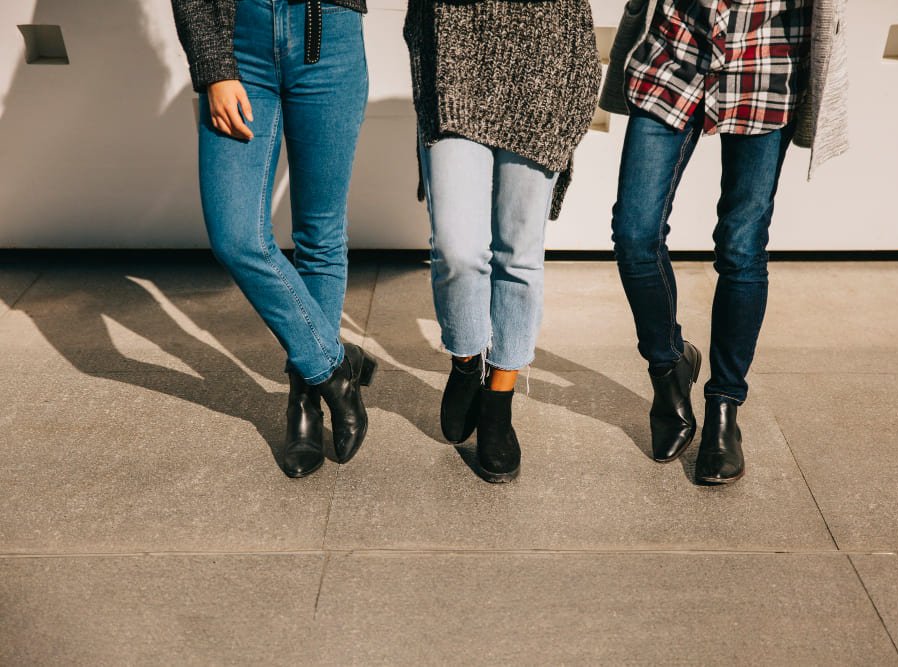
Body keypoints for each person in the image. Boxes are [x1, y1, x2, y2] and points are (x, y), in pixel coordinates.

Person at [601, 0, 848, 483]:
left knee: (741, 246)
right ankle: (668, 364)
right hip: (673, 56)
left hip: (767, 60)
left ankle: (724, 406)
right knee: (634, 233)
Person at [171, 0, 376, 478]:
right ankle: (335, 371)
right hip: (239, 39)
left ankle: (304, 405)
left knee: (319, 234)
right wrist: (214, 67)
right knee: (235, 235)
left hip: (331, 35)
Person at [404, 0, 601, 482]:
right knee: (457, 247)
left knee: (519, 254)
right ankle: (468, 358)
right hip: (457, 62)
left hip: (544, 59)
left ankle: (500, 397)